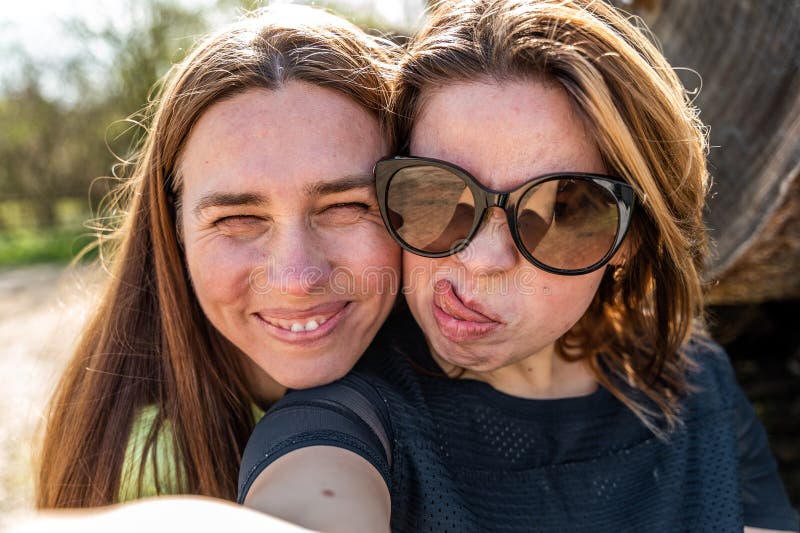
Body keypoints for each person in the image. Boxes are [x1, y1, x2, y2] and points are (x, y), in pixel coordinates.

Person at [237, 0, 799, 531]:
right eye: (437, 194)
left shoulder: (695, 381)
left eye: (563, 212)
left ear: (630, 241)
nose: (481, 261)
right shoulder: (350, 417)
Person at [36, 5, 400, 508]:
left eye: (345, 207)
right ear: (174, 230)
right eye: (237, 220)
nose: (297, 278)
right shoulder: (148, 474)